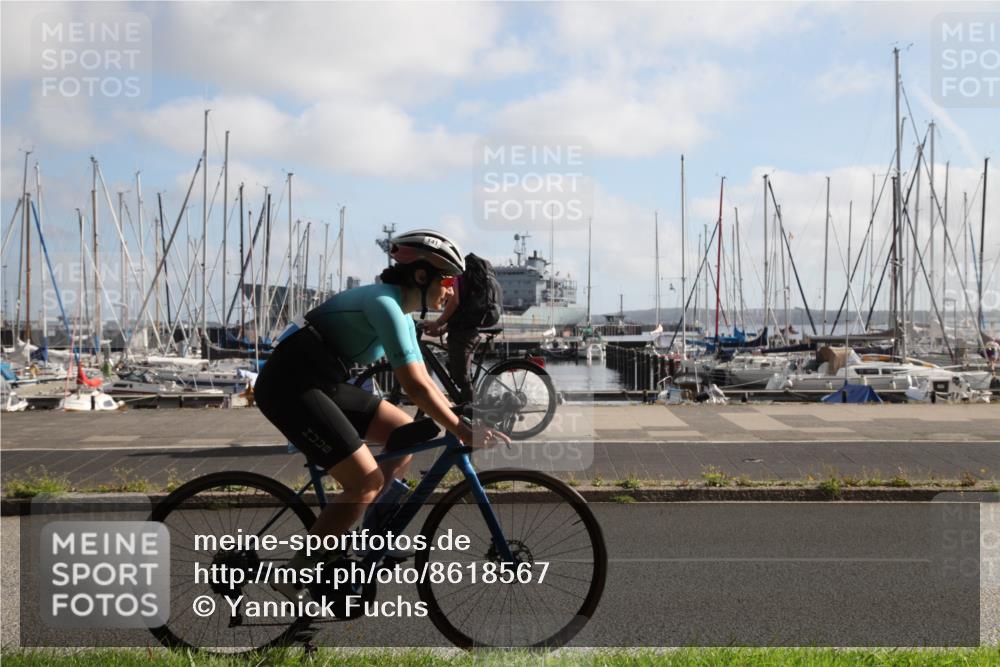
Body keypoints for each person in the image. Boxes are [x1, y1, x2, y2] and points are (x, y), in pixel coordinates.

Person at [253, 229, 509, 597]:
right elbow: (416, 387)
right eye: (449, 279)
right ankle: (298, 573)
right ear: (421, 276)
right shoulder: (385, 306)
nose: (452, 290)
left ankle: (367, 539)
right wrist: (462, 430)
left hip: (324, 381)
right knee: (365, 481)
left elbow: (423, 380)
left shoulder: (402, 313)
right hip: (288, 386)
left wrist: (460, 416)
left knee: (403, 433)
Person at [424, 273, 479, 405]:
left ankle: (471, 417)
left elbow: (454, 301)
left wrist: (437, 323)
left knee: (462, 379)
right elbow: (459, 313)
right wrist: (441, 330)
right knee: (458, 371)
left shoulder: (453, 275)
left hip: (463, 334)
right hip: (464, 331)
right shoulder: (462, 278)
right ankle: (465, 409)